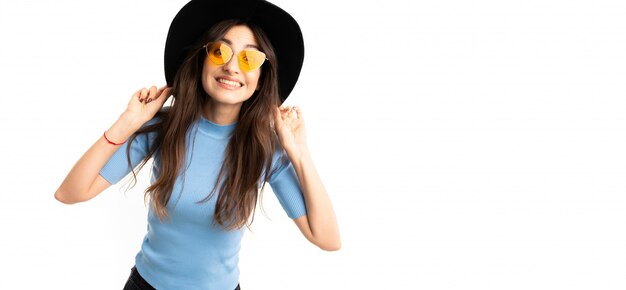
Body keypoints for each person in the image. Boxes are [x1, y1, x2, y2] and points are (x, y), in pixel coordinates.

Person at [54, 0, 341, 289]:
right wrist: (127, 123)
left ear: (261, 76)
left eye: (249, 59)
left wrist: (299, 151)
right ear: (202, 59)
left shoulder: (264, 148)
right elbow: (70, 192)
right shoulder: (165, 127)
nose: (231, 67)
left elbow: (327, 239)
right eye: (220, 51)